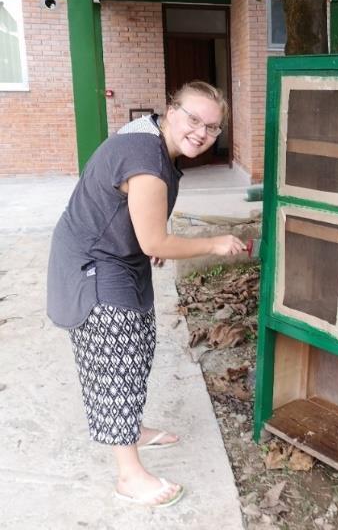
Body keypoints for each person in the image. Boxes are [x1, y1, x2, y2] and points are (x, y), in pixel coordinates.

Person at [47, 81, 245, 508]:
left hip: (120, 254)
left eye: (212, 127)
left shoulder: (155, 138)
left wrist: (147, 239)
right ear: (171, 110)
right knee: (115, 360)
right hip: (92, 264)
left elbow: (143, 229)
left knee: (139, 345)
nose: (201, 132)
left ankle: (130, 427)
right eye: (193, 118)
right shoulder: (146, 158)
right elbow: (156, 242)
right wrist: (213, 243)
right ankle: (128, 475)